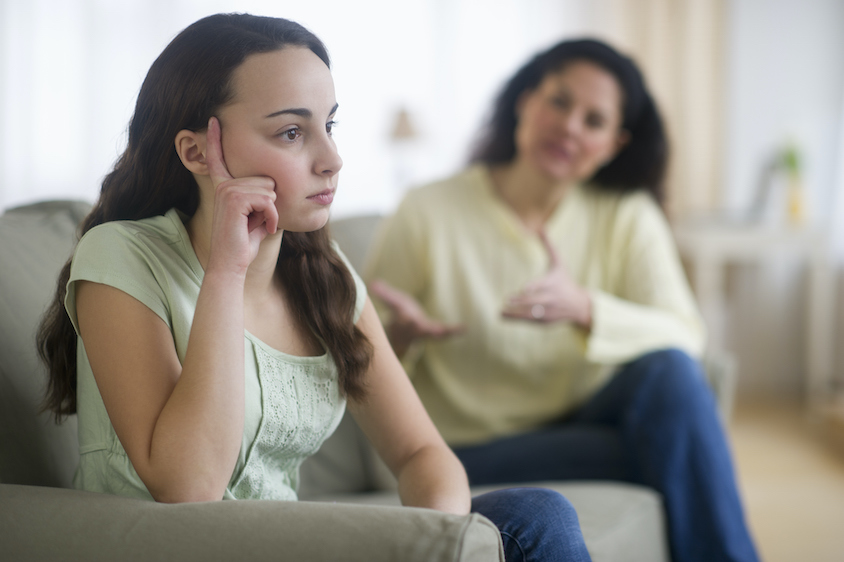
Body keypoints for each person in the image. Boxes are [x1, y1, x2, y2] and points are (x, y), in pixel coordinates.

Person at [36, 14, 591, 562]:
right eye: (292, 132)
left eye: (330, 126)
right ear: (197, 152)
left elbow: (421, 452)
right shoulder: (121, 255)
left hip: (287, 543)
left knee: (535, 517)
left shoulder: (326, 278)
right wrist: (227, 272)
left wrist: (441, 541)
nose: (332, 160)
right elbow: (188, 488)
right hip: (169, 549)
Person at [367, 38, 760, 562]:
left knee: (670, 372)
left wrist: (586, 309)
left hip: (582, 420)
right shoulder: (428, 209)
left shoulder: (626, 214)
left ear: (614, 145)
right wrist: (399, 336)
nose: (571, 125)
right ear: (527, 101)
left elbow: (686, 333)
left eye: (594, 120)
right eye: (559, 101)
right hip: (467, 449)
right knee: (674, 448)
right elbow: (357, 356)